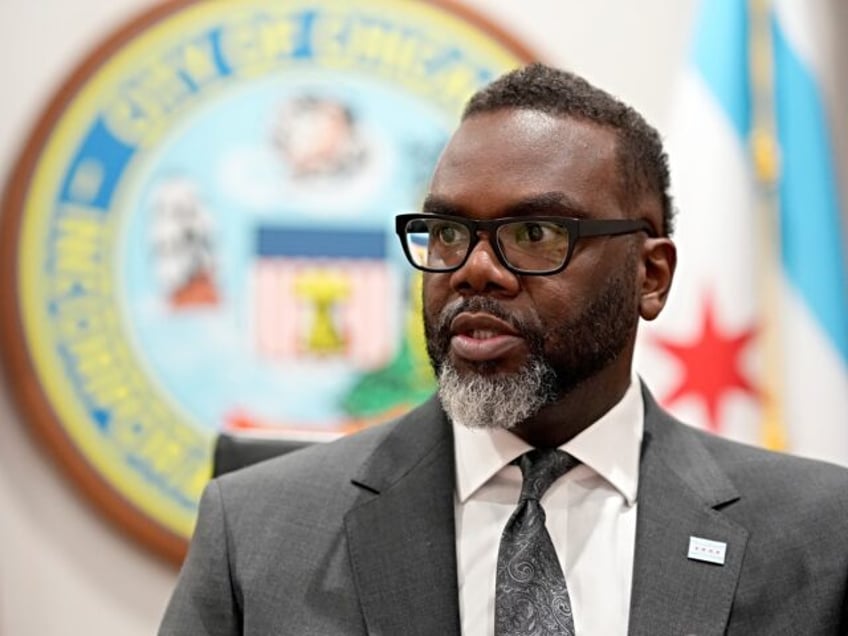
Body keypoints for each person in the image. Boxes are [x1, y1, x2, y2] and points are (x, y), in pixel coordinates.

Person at [159, 64, 848, 635]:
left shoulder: (820, 534)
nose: (474, 269)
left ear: (651, 275)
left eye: (536, 234)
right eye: (449, 231)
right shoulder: (255, 532)